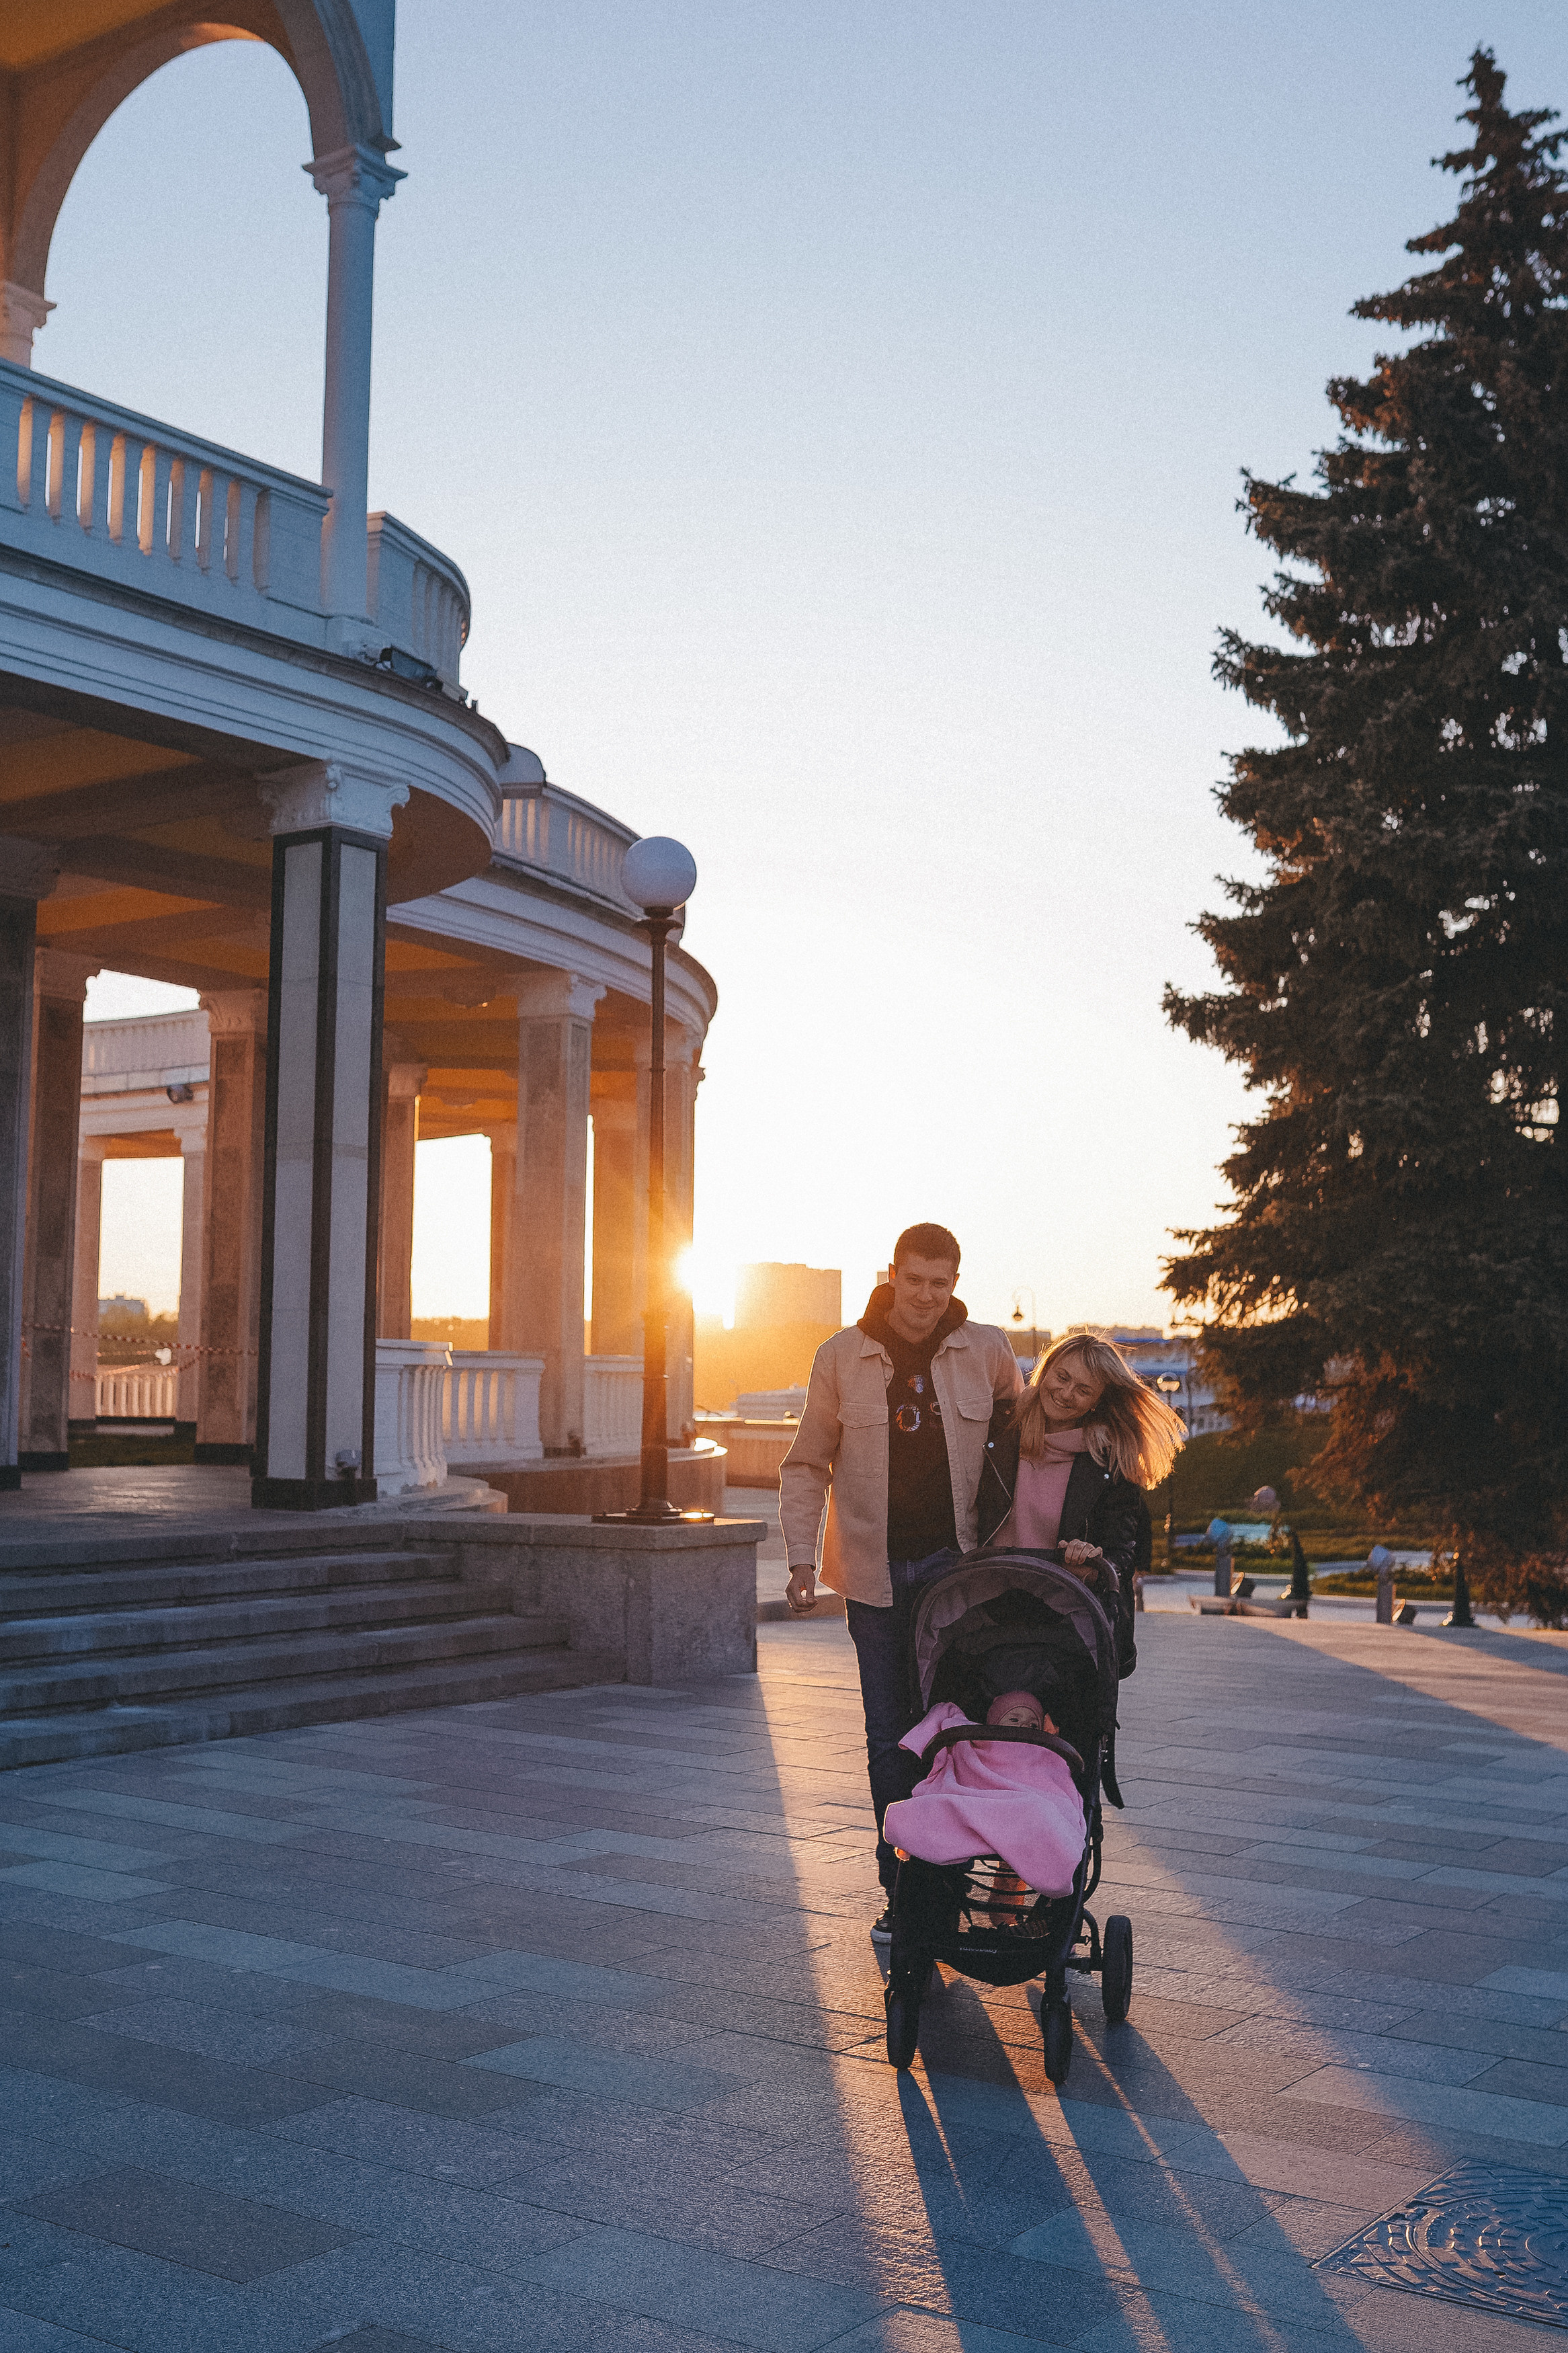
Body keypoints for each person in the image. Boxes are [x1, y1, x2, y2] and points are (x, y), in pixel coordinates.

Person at [779, 1223, 1023, 1942]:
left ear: (954, 1282)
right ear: (892, 1274)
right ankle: (904, 1892)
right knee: (889, 1737)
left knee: (955, 1732)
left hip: (960, 1573)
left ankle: (957, 1882)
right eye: (913, 1279)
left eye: (938, 1282)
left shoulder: (986, 1350)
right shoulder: (840, 1356)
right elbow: (804, 1464)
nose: (924, 1295)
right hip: (873, 1575)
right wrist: (801, 1558)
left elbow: (1031, 1442)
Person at [977, 1332, 1185, 1674]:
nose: (1066, 1393)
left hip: (1064, 1619)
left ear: (1097, 1402)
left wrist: (1091, 1562)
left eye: (1084, 1390)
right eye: (1062, 1377)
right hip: (988, 1607)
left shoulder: (1109, 1463)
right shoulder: (1001, 1431)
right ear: (1045, 1371)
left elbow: (1121, 1555)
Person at [883, 1688, 1085, 1905]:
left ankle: (1031, 1910)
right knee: (938, 1806)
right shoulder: (974, 1739)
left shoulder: (1044, 1750)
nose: (1023, 1727)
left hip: (1029, 1802)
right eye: (1014, 1719)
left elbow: (1056, 1783)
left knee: (1040, 1811)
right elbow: (946, 1714)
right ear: (994, 1723)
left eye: (1033, 1726)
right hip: (979, 1797)